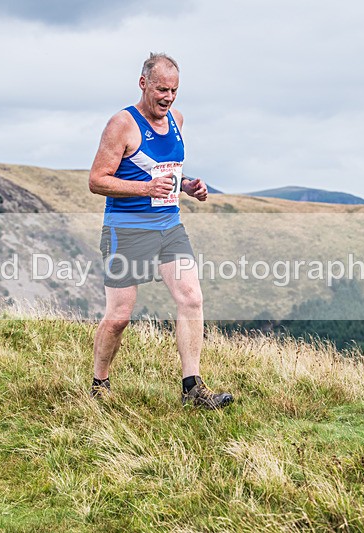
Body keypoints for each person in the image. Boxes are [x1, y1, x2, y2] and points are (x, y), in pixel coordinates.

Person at [87, 52, 233, 409]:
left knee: (191, 299)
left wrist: (188, 186)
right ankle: (99, 383)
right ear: (143, 84)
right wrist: (143, 189)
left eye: (174, 91)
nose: (168, 98)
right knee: (120, 316)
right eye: (161, 90)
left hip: (169, 226)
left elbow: (166, 171)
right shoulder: (122, 124)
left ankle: (192, 389)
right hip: (127, 228)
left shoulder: (178, 120)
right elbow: (96, 181)